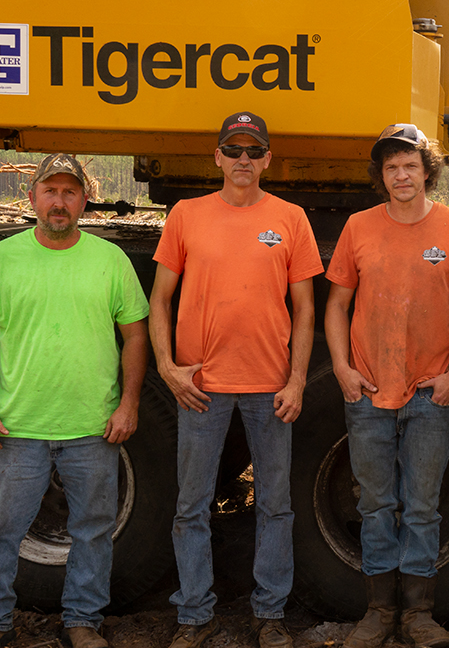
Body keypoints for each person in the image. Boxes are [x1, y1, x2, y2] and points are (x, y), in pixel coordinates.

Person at [0, 153, 150, 648]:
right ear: (32, 198)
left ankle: (83, 622)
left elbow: (135, 336)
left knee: (92, 531)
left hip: (92, 427)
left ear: (84, 200)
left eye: (70, 192)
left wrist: (128, 405)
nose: (59, 201)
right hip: (18, 428)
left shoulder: (110, 260)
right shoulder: (2, 259)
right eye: (51, 191)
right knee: (0, 530)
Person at [149, 112, 323, 648]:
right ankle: (194, 615)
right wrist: (167, 367)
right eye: (234, 149)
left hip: (270, 386)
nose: (244, 159)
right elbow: (159, 299)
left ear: (268, 158)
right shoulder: (186, 214)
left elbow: (306, 309)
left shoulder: (291, 218)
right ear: (217, 157)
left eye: (254, 151)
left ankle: (269, 615)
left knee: (275, 504)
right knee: (191, 505)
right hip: (200, 386)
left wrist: (296, 382)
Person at [324, 124, 449, 648]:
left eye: (410, 166)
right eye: (391, 167)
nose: (401, 175)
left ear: (426, 171)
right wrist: (344, 370)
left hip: (428, 393)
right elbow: (336, 305)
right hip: (368, 392)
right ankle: (377, 612)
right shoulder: (358, 227)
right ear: (381, 176)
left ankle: (419, 616)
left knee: (421, 506)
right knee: (375, 504)